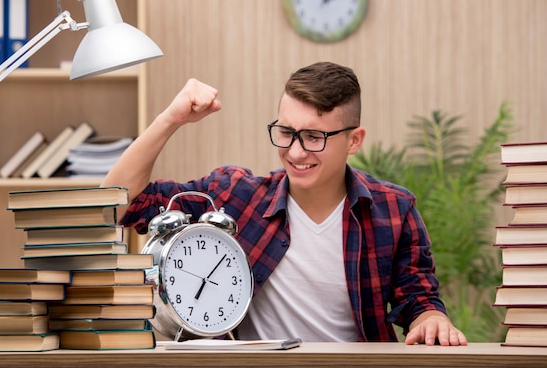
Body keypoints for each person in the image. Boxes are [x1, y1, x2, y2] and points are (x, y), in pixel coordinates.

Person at [102, 61, 467, 346]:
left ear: (354, 140)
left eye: (313, 137)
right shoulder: (235, 196)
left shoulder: (393, 209)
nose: (295, 152)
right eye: (287, 132)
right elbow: (117, 205)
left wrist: (431, 319)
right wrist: (171, 118)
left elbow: (418, 301)